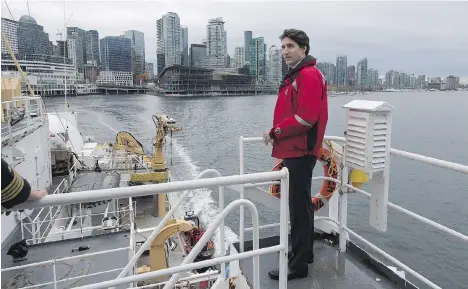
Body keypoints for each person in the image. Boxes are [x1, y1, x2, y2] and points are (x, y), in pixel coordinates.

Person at [264, 29, 328, 281]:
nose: (285, 51)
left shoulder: (308, 75)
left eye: (290, 46)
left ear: (304, 48)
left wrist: (275, 131)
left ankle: (297, 265)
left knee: (298, 209)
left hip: (300, 150)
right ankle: (306, 254)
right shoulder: (299, 74)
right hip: (297, 149)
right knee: (302, 206)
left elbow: (306, 117)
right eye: (282, 47)